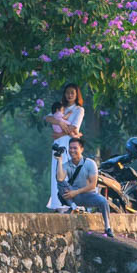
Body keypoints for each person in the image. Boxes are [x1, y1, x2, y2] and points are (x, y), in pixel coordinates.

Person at [56, 137, 113, 237]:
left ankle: (108, 227)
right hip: (73, 197)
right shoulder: (67, 164)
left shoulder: (90, 163)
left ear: (81, 149)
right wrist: (59, 161)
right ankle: (74, 207)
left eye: (75, 148)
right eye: (70, 148)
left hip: (88, 195)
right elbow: (60, 178)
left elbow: (92, 185)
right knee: (60, 183)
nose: (72, 151)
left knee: (103, 201)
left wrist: (76, 192)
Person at [45, 84, 85, 212]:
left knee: (70, 172)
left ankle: (71, 203)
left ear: (77, 94)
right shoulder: (60, 108)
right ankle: (58, 204)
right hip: (58, 144)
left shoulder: (79, 109)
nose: (70, 95)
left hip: (71, 144)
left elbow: (74, 128)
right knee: (57, 172)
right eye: (67, 92)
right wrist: (60, 122)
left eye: (72, 93)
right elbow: (47, 117)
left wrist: (59, 133)